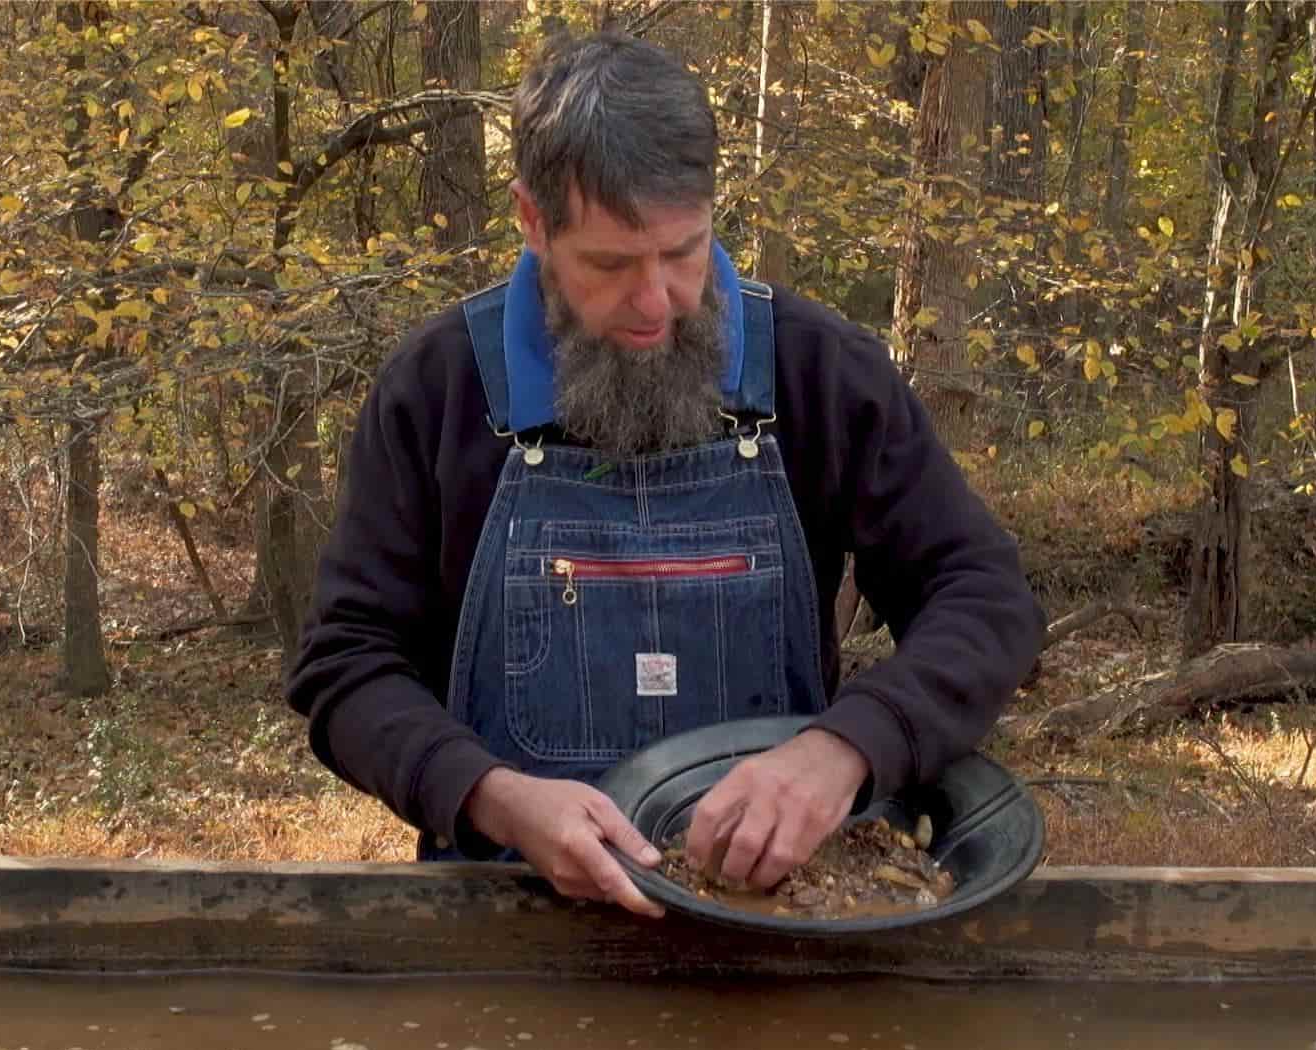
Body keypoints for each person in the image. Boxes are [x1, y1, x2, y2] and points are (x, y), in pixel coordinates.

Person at [285, 32, 1044, 918]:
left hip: (782, 915)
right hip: (503, 916)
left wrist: (844, 750)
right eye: (611, 265)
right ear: (533, 222)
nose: (657, 302)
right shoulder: (439, 390)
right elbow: (345, 666)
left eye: (684, 252)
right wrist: (491, 795)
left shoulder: (819, 373)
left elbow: (984, 598)